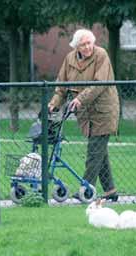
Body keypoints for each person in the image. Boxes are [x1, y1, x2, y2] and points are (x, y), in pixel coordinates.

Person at [48, 28, 120, 201]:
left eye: (89, 43)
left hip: (104, 110)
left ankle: (86, 189)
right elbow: (61, 86)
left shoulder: (101, 55)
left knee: (94, 151)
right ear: (76, 46)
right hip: (85, 113)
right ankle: (110, 191)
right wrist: (53, 104)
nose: (87, 47)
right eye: (83, 44)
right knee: (99, 152)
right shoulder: (69, 59)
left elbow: (99, 84)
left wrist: (80, 98)